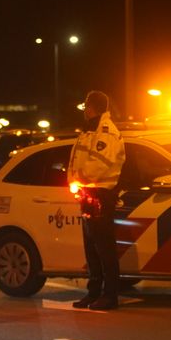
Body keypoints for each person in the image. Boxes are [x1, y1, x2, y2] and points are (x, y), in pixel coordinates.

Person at [67, 91, 126, 311]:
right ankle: (93, 293)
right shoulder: (89, 130)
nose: (84, 110)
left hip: (101, 194)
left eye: (86, 106)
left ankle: (109, 296)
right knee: (91, 248)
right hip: (88, 193)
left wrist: (79, 177)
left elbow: (100, 164)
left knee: (104, 248)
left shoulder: (106, 132)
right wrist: (75, 180)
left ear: (92, 108)